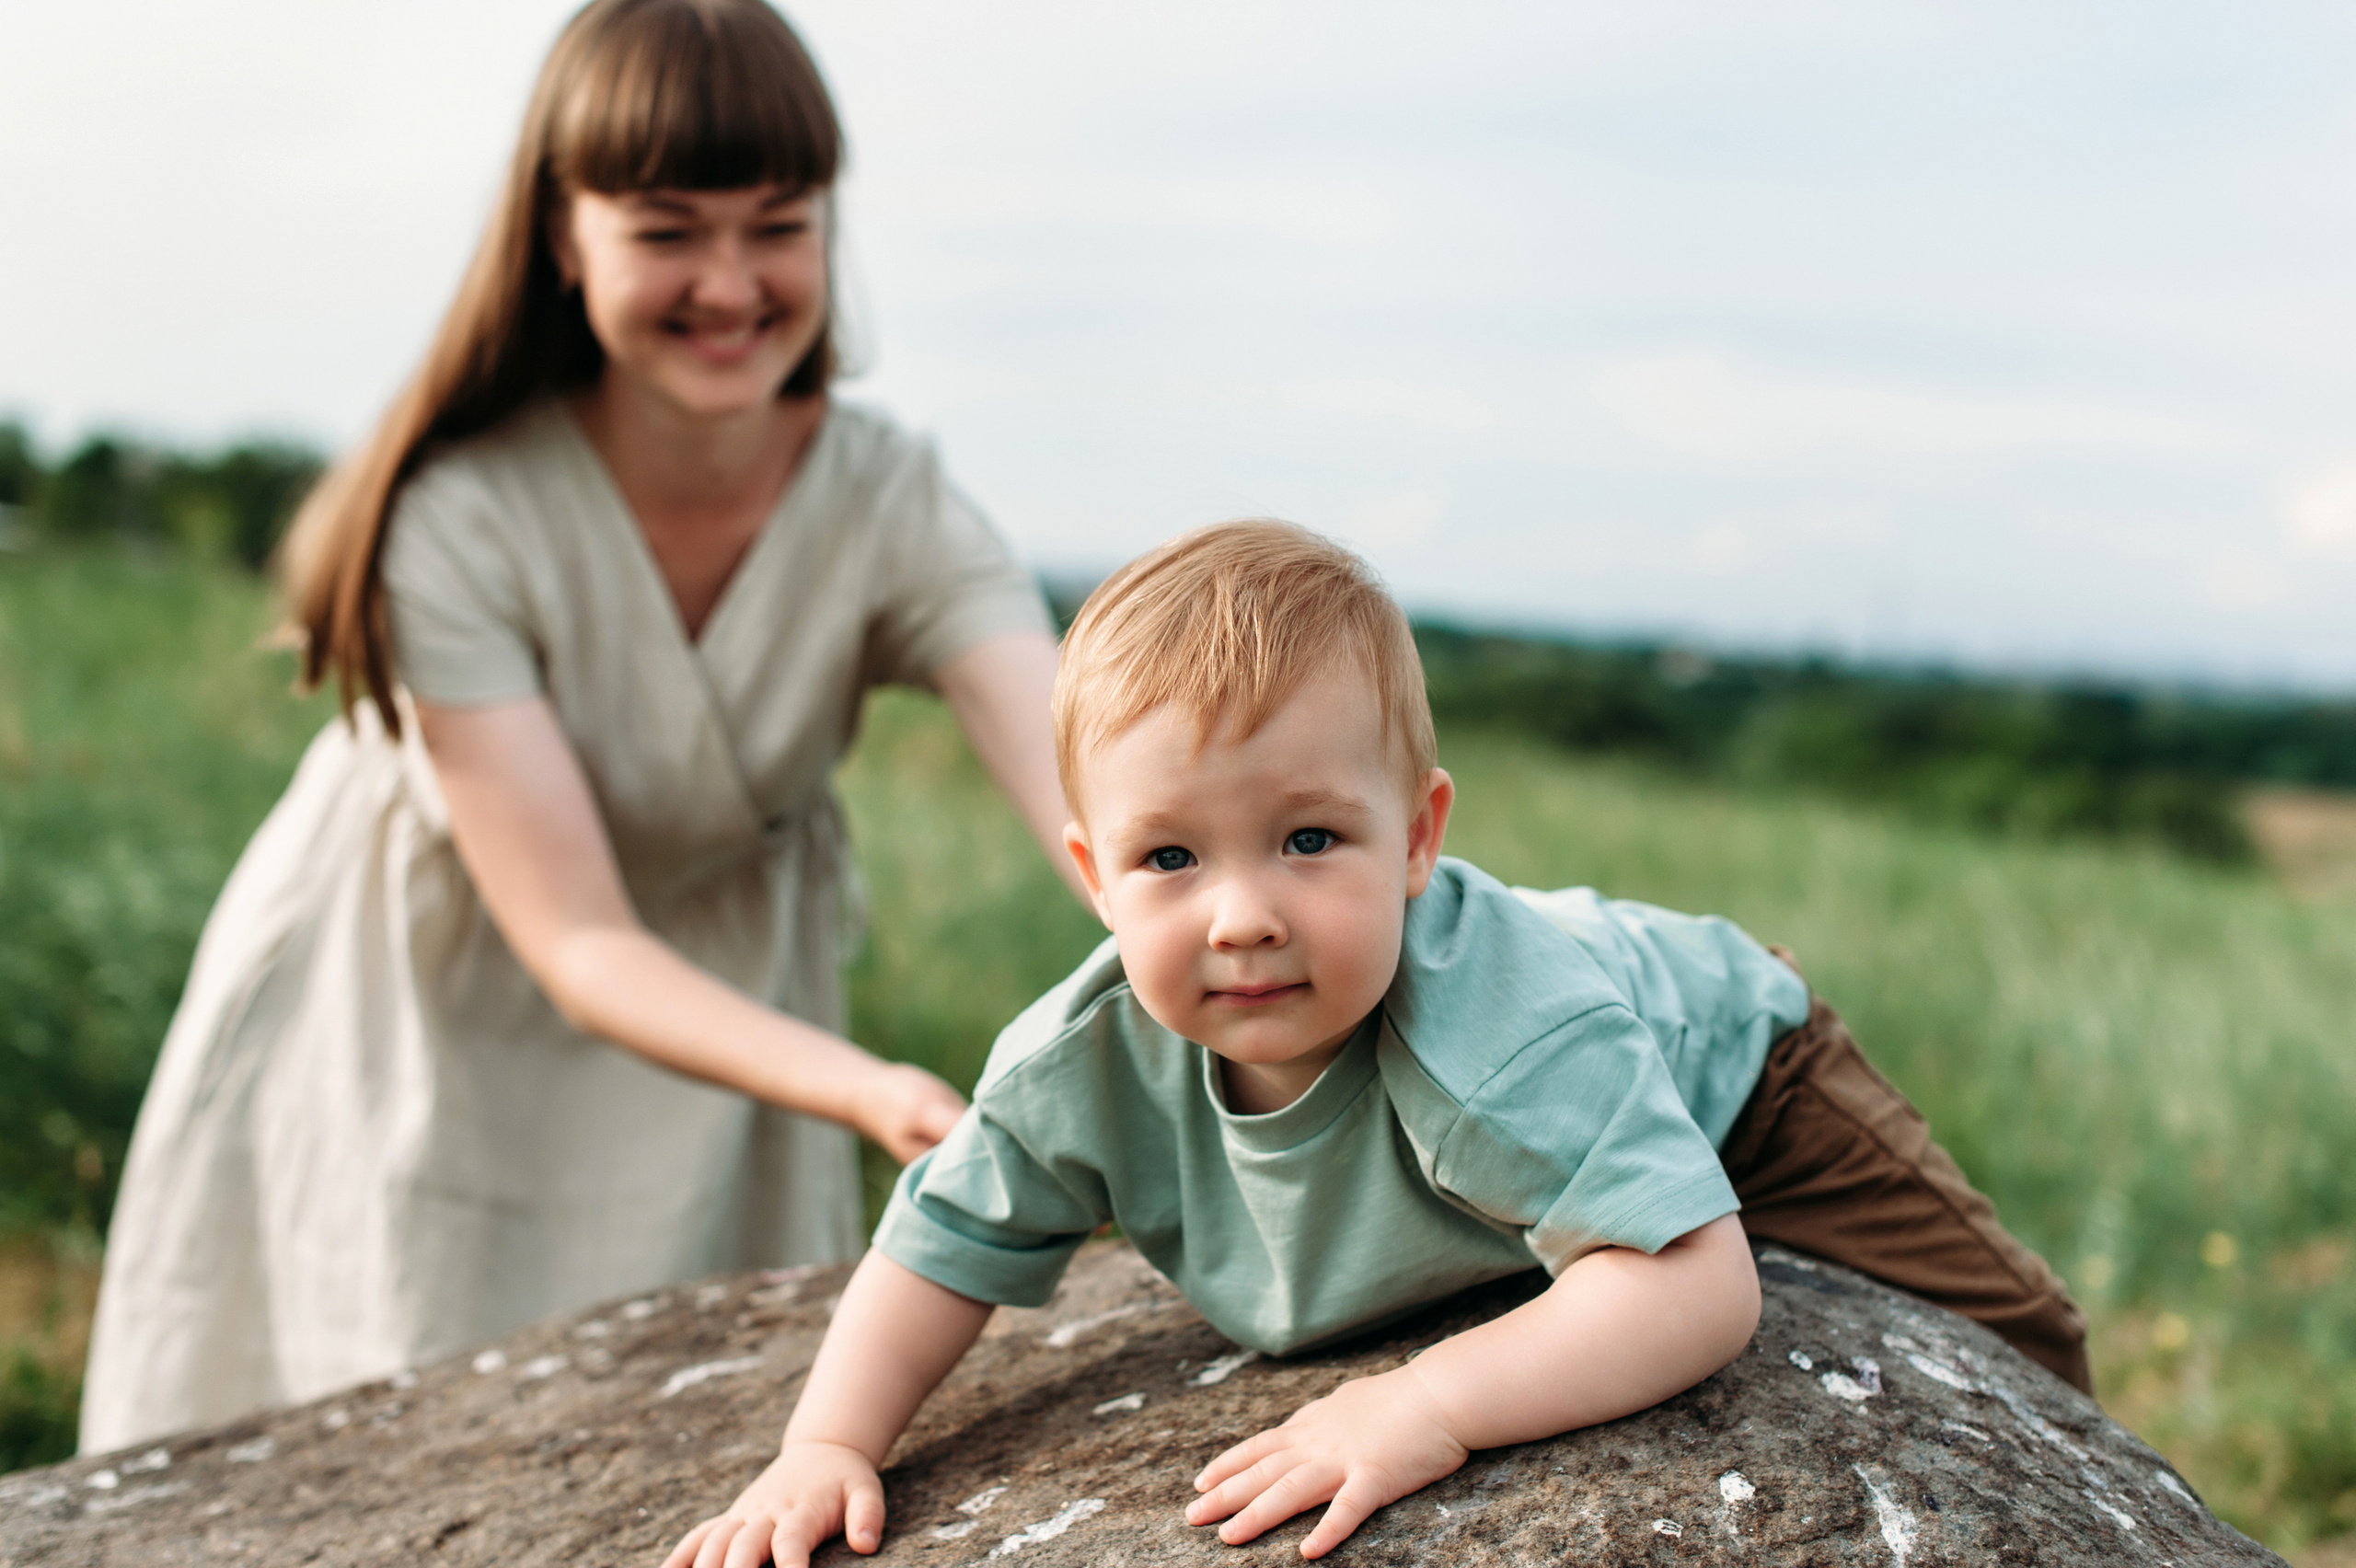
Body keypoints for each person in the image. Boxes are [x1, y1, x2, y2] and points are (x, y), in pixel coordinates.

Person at [664, 519, 2092, 1568]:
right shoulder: (1079, 1061)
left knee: (2023, 1344)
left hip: (1742, 1079)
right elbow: (936, 1243)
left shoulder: (1505, 1035)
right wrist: (827, 1447)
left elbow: (1692, 1284)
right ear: (1094, 876)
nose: (1240, 916)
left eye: (1307, 838)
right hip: (1536, 1113)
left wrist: (1430, 1404)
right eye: (1170, 857)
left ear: (1414, 838)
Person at [78, 0, 1083, 1455]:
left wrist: (1276, 934)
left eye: (777, 224)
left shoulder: (891, 503)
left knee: (687, 1438)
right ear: (561, 234)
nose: (731, 282)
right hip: (423, 1017)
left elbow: (1091, 784)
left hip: (738, 1016)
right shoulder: (461, 514)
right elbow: (581, 943)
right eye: (668, 229)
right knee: (389, 1421)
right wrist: (870, 1090)